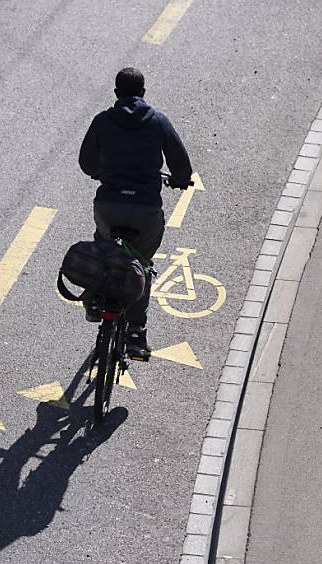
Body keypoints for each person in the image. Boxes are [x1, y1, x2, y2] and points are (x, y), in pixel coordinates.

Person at [78, 67, 194, 359]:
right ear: (143, 92)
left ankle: (94, 301)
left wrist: (102, 173)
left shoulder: (103, 120)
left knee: (103, 248)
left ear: (116, 93)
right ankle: (135, 333)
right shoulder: (157, 121)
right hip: (145, 211)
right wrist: (178, 180)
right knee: (141, 263)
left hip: (109, 206)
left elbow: (86, 161)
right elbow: (181, 166)